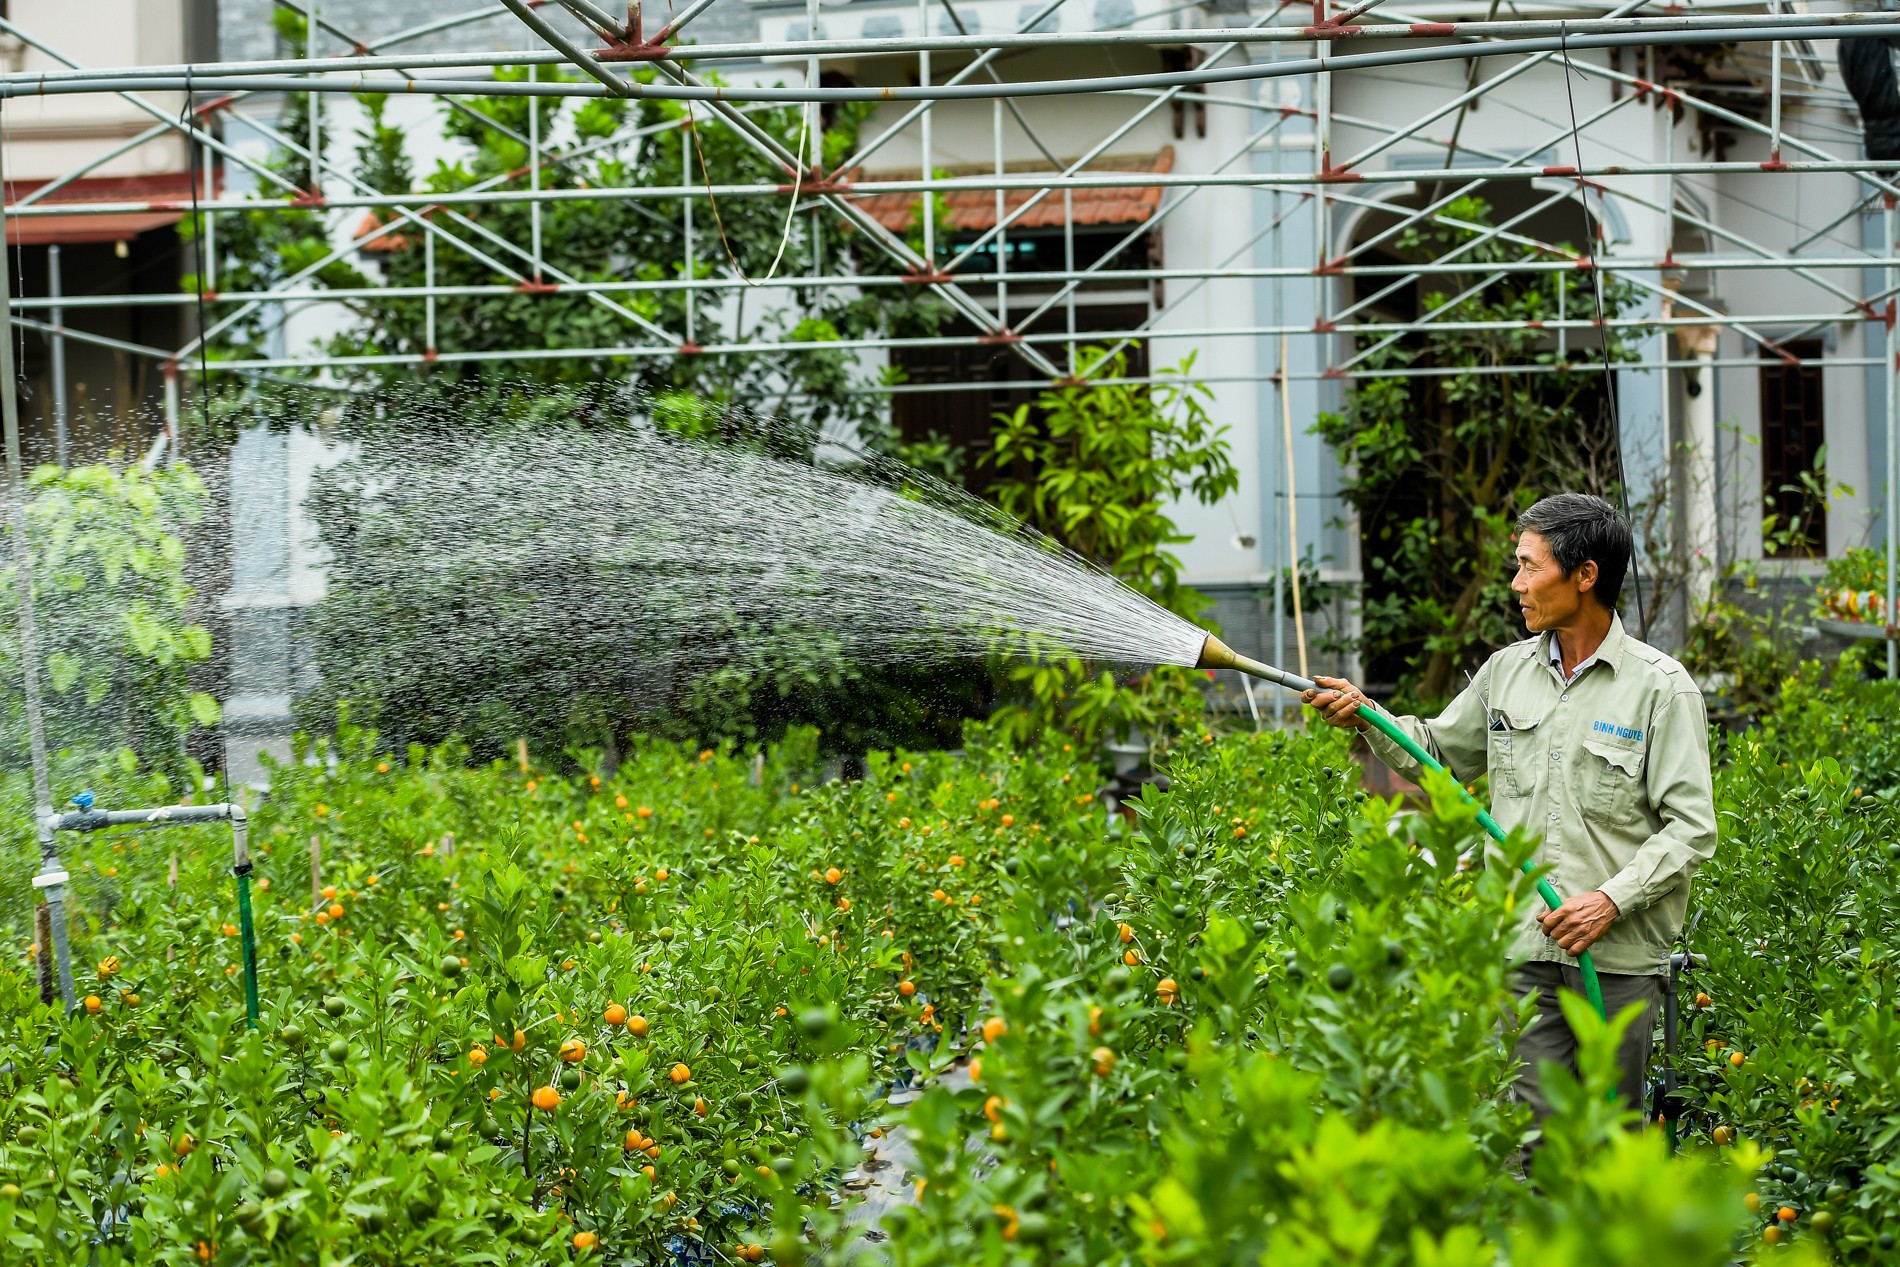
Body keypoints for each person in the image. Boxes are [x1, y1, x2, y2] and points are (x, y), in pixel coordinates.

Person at [1301, 493, 1717, 1153]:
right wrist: (1368, 714)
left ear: (1584, 574)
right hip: (1523, 953)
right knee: (1527, 1149)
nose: (1517, 584)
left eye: (1530, 567)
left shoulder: (1661, 690)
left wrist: (1608, 900)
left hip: (1614, 963)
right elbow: (1437, 755)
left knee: (1609, 1149)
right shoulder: (1506, 673)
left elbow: (1691, 828)